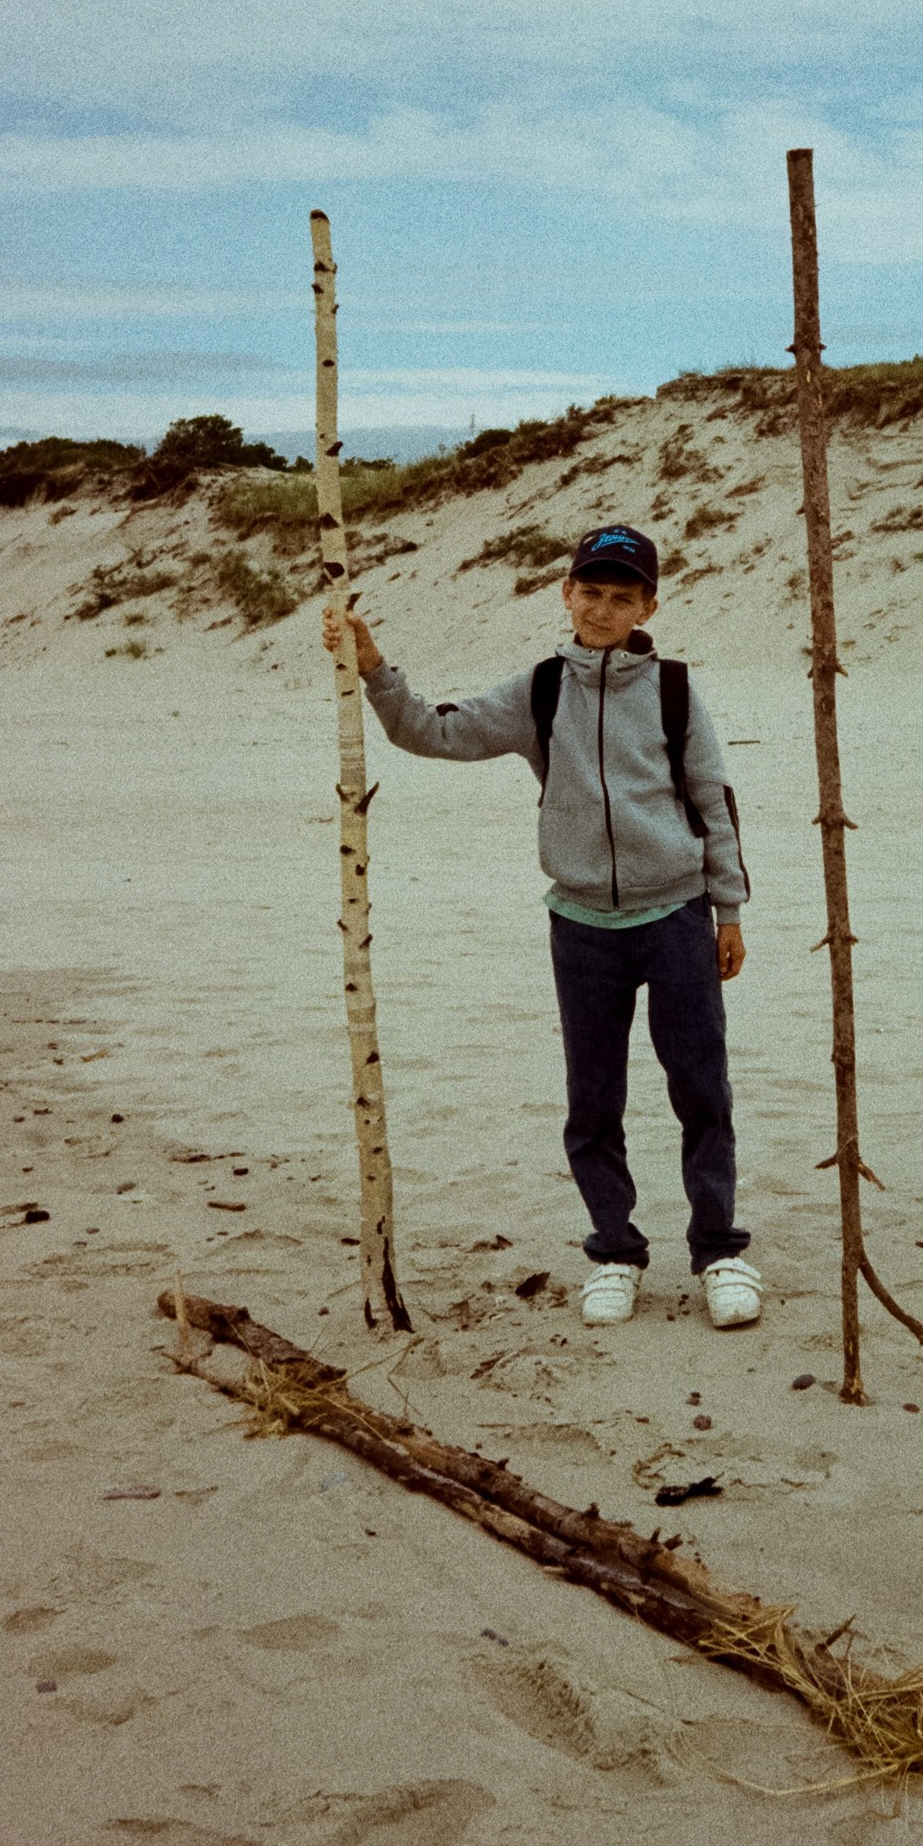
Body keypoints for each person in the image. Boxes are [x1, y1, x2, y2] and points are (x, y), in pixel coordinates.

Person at [323, 520, 762, 1331]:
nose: (601, 608)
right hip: (582, 924)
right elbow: (433, 730)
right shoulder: (540, 690)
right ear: (565, 594)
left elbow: (713, 802)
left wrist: (727, 911)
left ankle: (718, 1251)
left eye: (619, 596)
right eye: (588, 592)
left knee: (700, 1088)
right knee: (591, 1099)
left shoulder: (672, 690)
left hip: (675, 916)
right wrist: (374, 667)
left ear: (647, 606)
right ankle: (615, 1253)